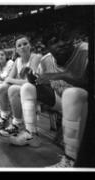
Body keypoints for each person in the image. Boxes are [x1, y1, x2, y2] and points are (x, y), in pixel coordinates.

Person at [7, 26, 89, 168]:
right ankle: (31, 134)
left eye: (65, 38)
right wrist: (31, 76)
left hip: (85, 104)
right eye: (55, 41)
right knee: (27, 87)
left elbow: (88, 83)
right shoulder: (46, 60)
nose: (62, 43)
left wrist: (61, 75)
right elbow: (38, 83)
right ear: (47, 46)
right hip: (62, 100)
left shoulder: (86, 52)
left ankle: (71, 160)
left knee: (72, 93)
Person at [0, 35, 42, 135]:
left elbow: (30, 81)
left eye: (25, 44)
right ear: (16, 50)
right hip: (23, 87)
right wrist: (8, 81)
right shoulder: (17, 61)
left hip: (36, 89)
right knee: (1, 87)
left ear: (30, 46)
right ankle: (4, 117)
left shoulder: (35, 57)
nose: (22, 47)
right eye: (19, 45)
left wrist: (11, 80)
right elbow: (7, 79)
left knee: (13, 89)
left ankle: (17, 123)